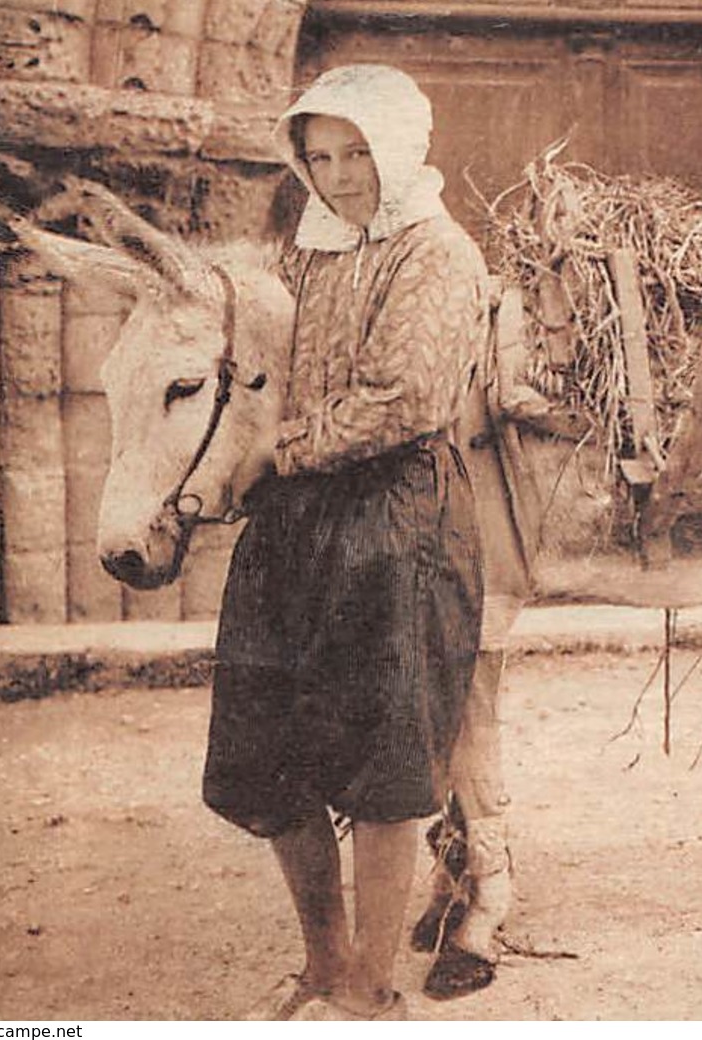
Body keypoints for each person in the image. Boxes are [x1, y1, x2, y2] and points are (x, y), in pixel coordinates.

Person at [200, 64, 487, 1021]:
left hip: (395, 516)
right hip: (294, 517)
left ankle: (371, 983)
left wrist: (278, 453)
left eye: (357, 152)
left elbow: (407, 398)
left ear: (398, 149)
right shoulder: (307, 254)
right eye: (317, 156)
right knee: (269, 741)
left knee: (380, 754)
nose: (338, 175)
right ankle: (321, 964)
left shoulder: (438, 254)